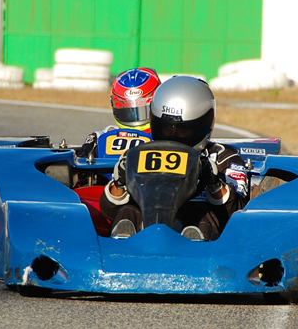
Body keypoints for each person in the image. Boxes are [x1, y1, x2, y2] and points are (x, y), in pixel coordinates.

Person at [100, 75, 250, 241]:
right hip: (145, 235)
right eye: (166, 128)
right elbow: (108, 212)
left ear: (203, 122)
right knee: (127, 212)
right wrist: (119, 182)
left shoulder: (224, 157)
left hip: (200, 245)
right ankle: (121, 246)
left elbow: (237, 212)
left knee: (201, 214)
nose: (173, 136)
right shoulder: (139, 153)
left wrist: (214, 183)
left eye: (182, 130)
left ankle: (193, 244)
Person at [76, 67, 161, 159]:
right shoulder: (102, 138)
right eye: (128, 111)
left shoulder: (165, 138)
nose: (134, 116)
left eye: (141, 109)